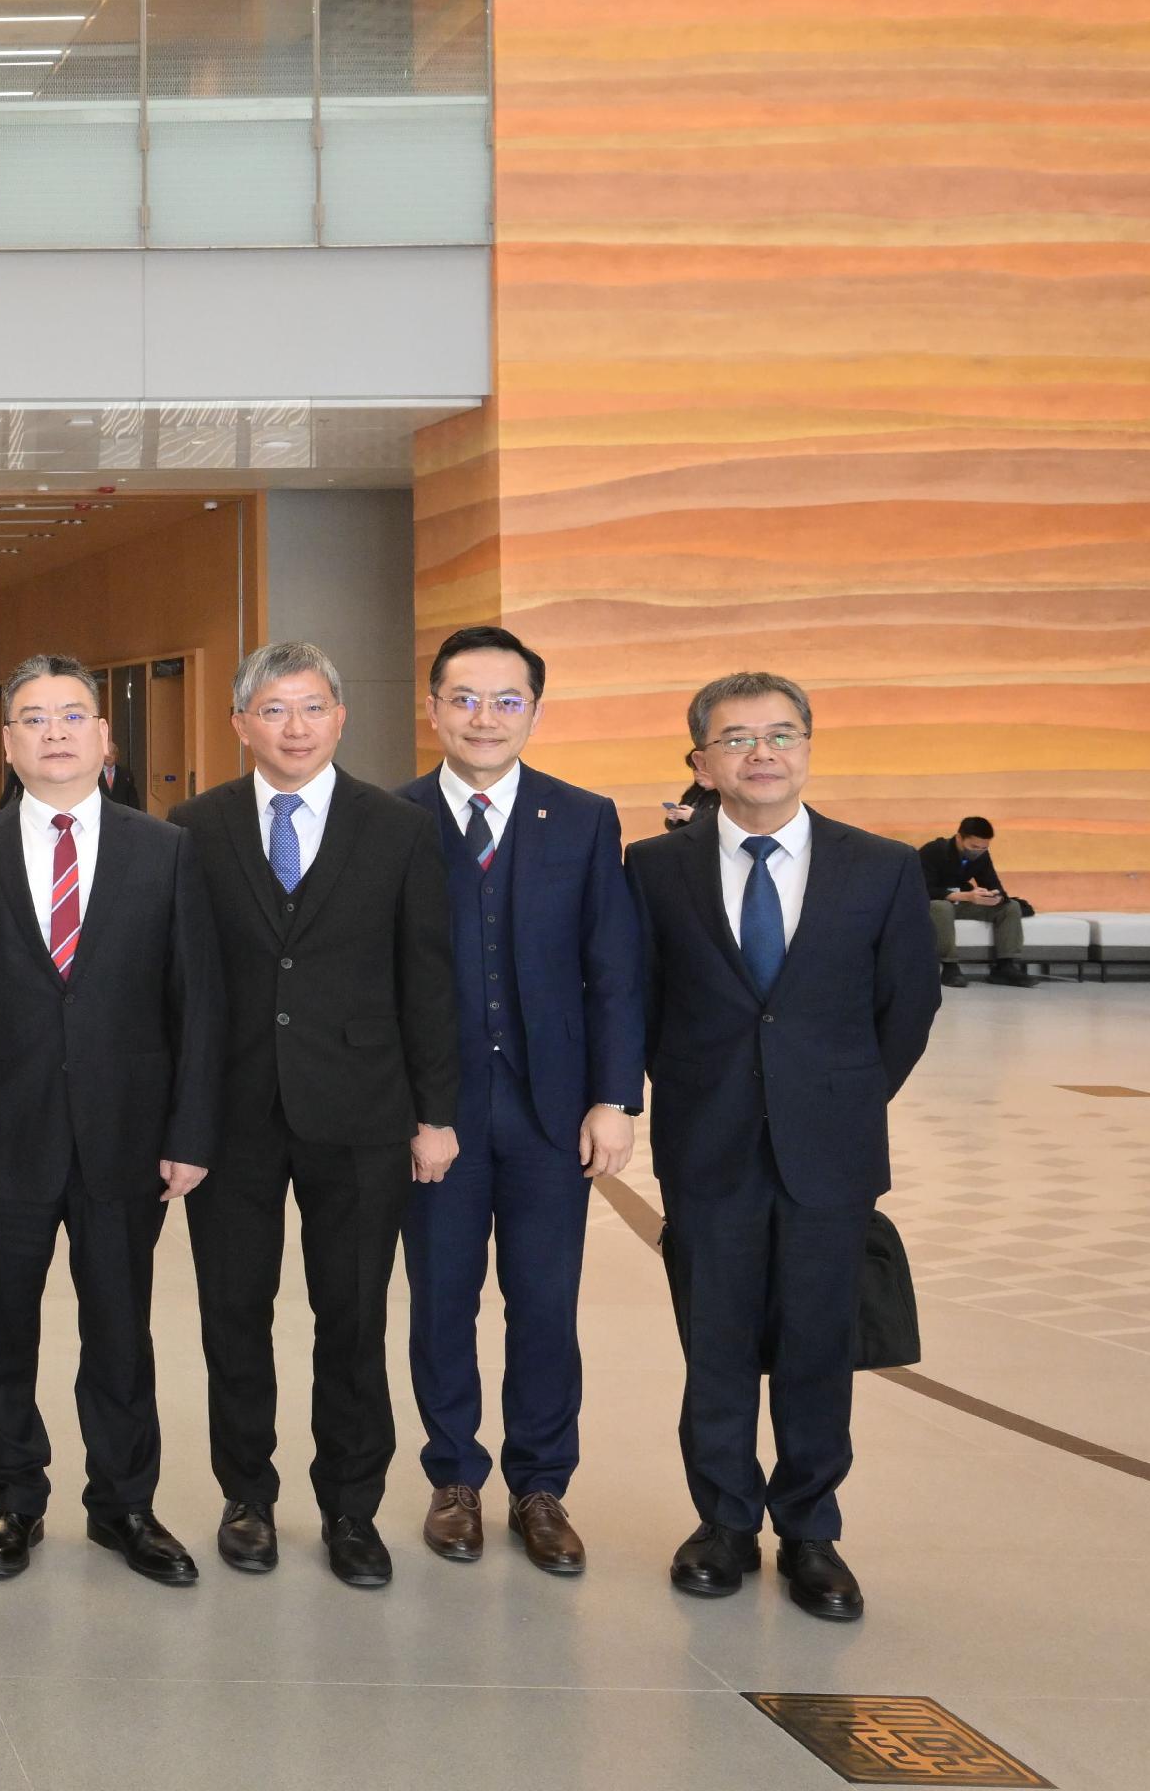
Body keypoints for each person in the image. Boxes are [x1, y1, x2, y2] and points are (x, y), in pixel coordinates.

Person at [627, 673, 937, 1623]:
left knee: (815, 1341)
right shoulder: (654, 868)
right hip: (706, 1139)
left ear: (808, 746)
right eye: (735, 739)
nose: (760, 753)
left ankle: (810, 1528)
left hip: (829, 1148)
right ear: (701, 762)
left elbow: (908, 1007)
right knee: (714, 1340)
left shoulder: (880, 867)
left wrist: (833, 1097)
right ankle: (722, 1520)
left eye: (780, 734)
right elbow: (634, 1001)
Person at [167, 641, 460, 1588]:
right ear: (240, 723)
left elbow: (428, 979)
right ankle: (246, 1495)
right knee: (232, 1316)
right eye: (273, 710)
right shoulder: (193, 828)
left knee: (354, 1316)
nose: (294, 727)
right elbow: (180, 986)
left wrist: (435, 1113)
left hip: (363, 1113)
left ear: (340, 717)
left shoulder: (398, 828)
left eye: (311, 708)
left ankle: (350, 1507)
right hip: (234, 1116)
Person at [0, 656, 220, 1585]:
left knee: (121, 1326)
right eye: (33, 719)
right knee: (1, 1324)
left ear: (104, 736)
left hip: (129, 1136)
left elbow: (198, 1005)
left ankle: (125, 1504)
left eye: (73, 715)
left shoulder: (166, 850)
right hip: (0, 1135)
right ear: (7, 743)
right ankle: (11, 1497)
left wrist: (190, 1132)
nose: (55, 732)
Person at [401, 627, 643, 1577]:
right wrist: (414, 1110)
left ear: (536, 711)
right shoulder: (394, 816)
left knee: (544, 1303)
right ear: (433, 709)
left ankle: (542, 1486)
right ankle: (454, 1477)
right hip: (438, 1120)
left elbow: (612, 969)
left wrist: (613, 1098)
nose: (484, 717)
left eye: (507, 700)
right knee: (441, 1302)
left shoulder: (581, 818)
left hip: (552, 1112)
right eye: (464, 698)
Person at [916, 818, 1035, 990]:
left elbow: (994, 884)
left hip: (963, 903)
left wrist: (996, 896)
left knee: (1010, 907)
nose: (978, 851)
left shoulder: (981, 856)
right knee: (942, 907)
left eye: (983, 848)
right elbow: (923, 889)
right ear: (959, 838)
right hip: (936, 904)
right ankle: (950, 967)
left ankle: (1005, 967)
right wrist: (964, 896)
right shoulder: (933, 851)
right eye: (973, 847)